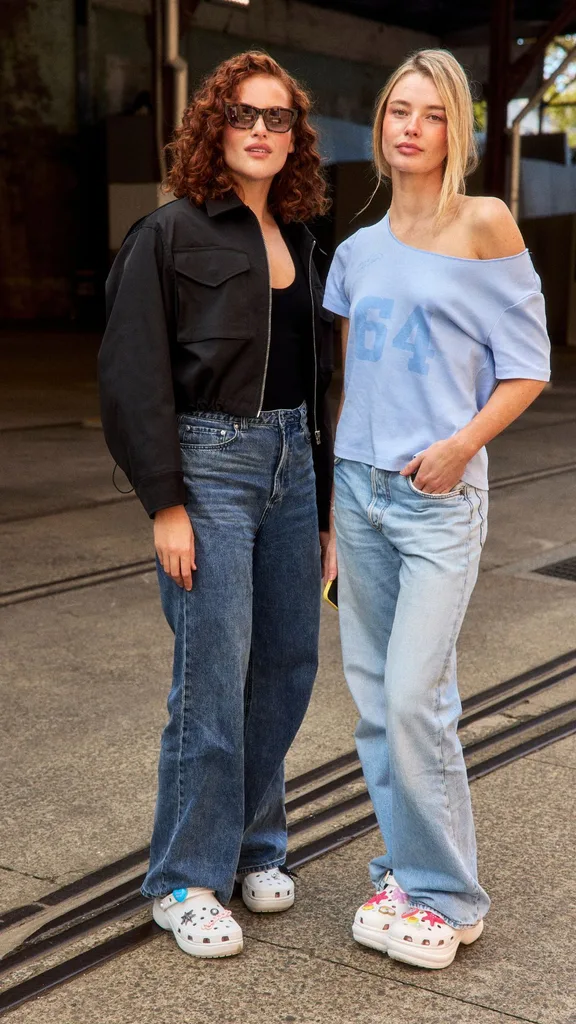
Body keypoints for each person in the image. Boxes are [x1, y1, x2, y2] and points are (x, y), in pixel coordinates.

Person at [98, 51, 333, 959]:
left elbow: (320, 375)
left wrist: (318, 508)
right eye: (245, 115)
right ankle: (185, 879)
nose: (262, 131)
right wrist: (166, 502)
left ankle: (253, 846)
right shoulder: (169, 232)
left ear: (295, 136)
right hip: (210, 466)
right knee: (211, 678)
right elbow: (130, 376)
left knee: (285, 664)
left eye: (278, 119)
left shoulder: (306, 237)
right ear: (215, 127)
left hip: (292, 465)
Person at [322, 48, 550, 970]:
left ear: (457, 128)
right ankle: (407, 873)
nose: (408, 127)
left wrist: (460, 448)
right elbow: (351, 386)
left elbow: (527, 366)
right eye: (395, 111)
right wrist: (334, 518)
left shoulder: (486, 224)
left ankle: (450, 897)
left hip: (436, 501)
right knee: (377, 706)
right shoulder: (355, 251)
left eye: (429, 113)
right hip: (359, 493)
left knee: (418, 697)